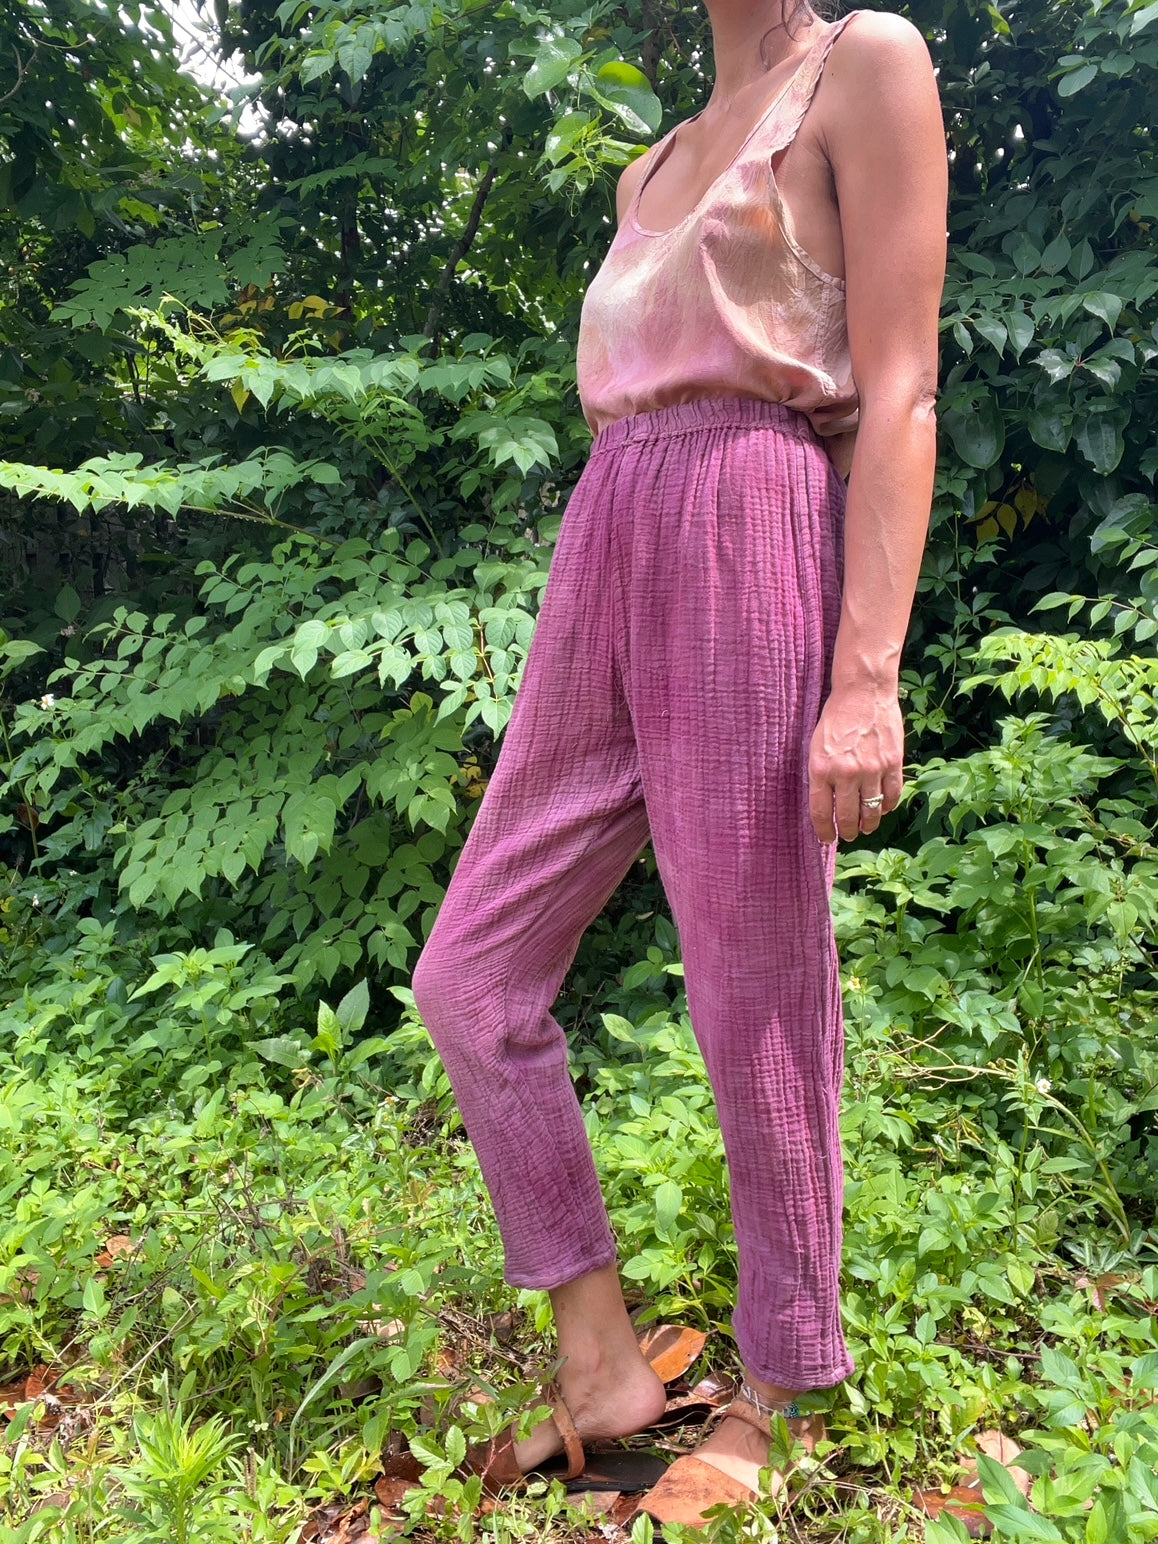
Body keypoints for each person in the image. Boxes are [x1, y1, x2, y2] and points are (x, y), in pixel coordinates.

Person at [412, 0, 947, 1525]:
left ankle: (782, 1382)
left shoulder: (862, 66)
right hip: (609, 536)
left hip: (753, 524)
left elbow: (900, 387)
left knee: (750, 983)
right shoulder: (645, 167)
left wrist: (864, 673)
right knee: (471, 976)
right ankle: (601, 1365)